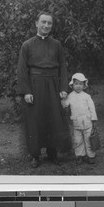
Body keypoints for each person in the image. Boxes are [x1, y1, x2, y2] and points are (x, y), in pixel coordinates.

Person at [17, 11, 71, 168]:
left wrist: (63, 88)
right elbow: (21, 70)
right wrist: (26, 91)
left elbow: (63, 69)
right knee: (35, 120)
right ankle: (35, 155)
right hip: (35, 87)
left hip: (53, 86)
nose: (46, 25)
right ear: (36, 23)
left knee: (53, 118)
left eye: (49, 23)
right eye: (43, 22)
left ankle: (52, 153)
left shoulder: (57, 45)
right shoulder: (27, 45)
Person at [62, 73, 98, 164]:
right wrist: (63, 98)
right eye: (76, 84)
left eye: (80, 84)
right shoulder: (70, 96)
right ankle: (80, 156)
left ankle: (91, 156)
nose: (78, 86)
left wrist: (93, 120)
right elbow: (65, 105)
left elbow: (92, 108)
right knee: (78, 141)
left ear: (84, 85)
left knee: (88, 140)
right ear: (72, 85)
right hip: (77, 124)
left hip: (87, 123)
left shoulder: (86, 96)